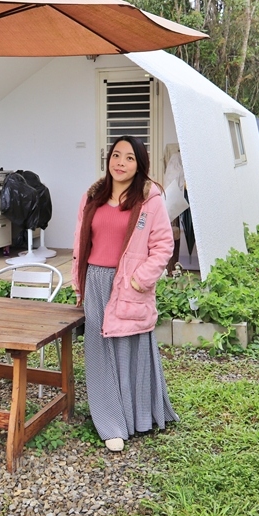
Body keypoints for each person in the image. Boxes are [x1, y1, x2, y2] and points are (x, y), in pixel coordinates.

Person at [71, 135, 180, 452]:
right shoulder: (92, 196)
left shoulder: (149, 199)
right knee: (99, 352)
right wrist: (79, 281)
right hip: (96, 282)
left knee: (130, 349)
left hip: (129, 284)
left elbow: (162, 246)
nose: (120, 163)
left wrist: (140, 280)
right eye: (116, 155)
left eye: (129, 157)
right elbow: (80, 243)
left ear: (140, 164)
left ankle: (137, 417)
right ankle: (111, 424)